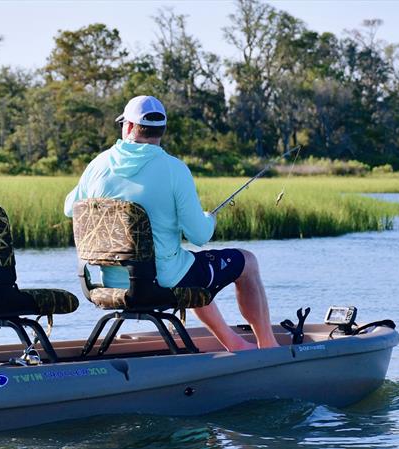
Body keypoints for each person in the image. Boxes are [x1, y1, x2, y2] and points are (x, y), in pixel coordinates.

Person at [64, 95, 279, 351]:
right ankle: (268, 347)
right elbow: (200, 235)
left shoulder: (97, 165)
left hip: (105, 282)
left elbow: (70, 208)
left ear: (130, 127)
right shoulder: (174, 169)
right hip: (161, 280)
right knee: (248, 262)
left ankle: (235, 344)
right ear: (161, 130)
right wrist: (209, 219)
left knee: (190, 265)